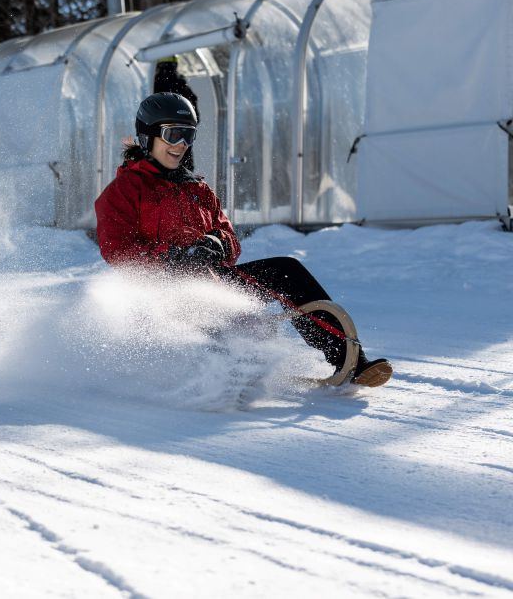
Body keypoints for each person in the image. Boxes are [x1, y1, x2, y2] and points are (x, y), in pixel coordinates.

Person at [94, 92, 392, 387]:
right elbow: (119, 251)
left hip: (212, 281)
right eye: (173, 135)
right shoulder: (123, 191)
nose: (181, 145)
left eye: (188, 135)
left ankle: (350, 359)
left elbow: (228, 237)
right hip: (162, 293)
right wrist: (173, 255)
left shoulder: (197, 188)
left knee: (286, 270)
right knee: (217, 320)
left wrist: (217, 243)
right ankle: (222, 374)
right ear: (148, 136)